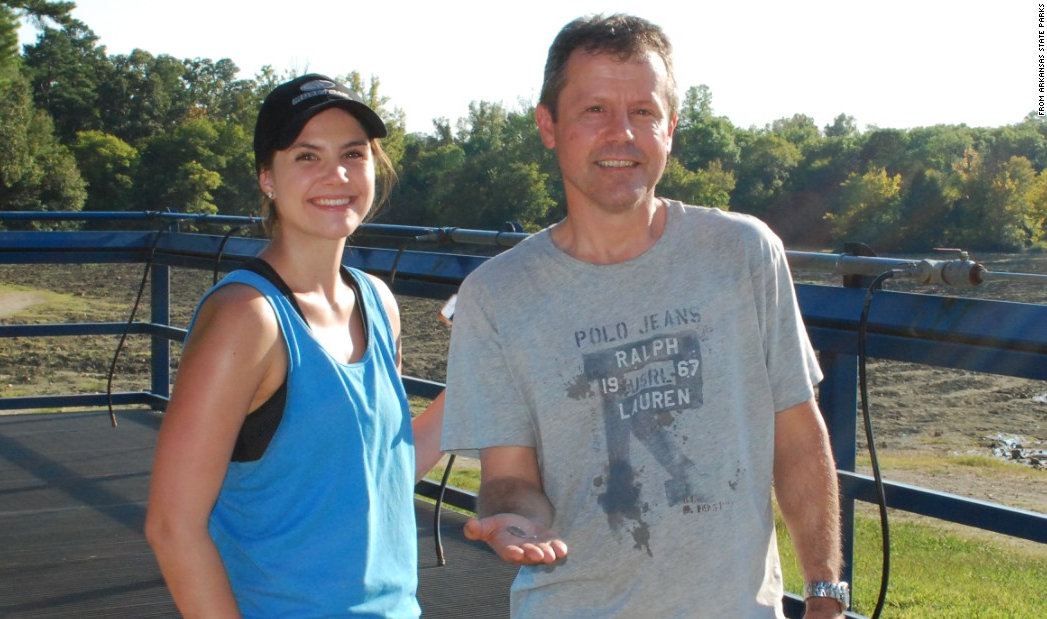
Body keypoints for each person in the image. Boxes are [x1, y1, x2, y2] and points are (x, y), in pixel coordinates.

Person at [440, 14, 847, 619]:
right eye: (595, 110)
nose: (622, 134)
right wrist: (511, 520)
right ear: (548, 125)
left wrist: (825, 591)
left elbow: (796, 431)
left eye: (645, 112)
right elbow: (509, 475)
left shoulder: (743, 252)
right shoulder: (495, 295)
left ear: (671, 128)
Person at [145, 73, 445, 618]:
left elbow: (383, 474)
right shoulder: (247, 318)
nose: (337, 175)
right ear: (267, 177)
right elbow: (172, 525)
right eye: (307, 156)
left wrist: (475, 375)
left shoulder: (378, 303)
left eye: (354, 154)